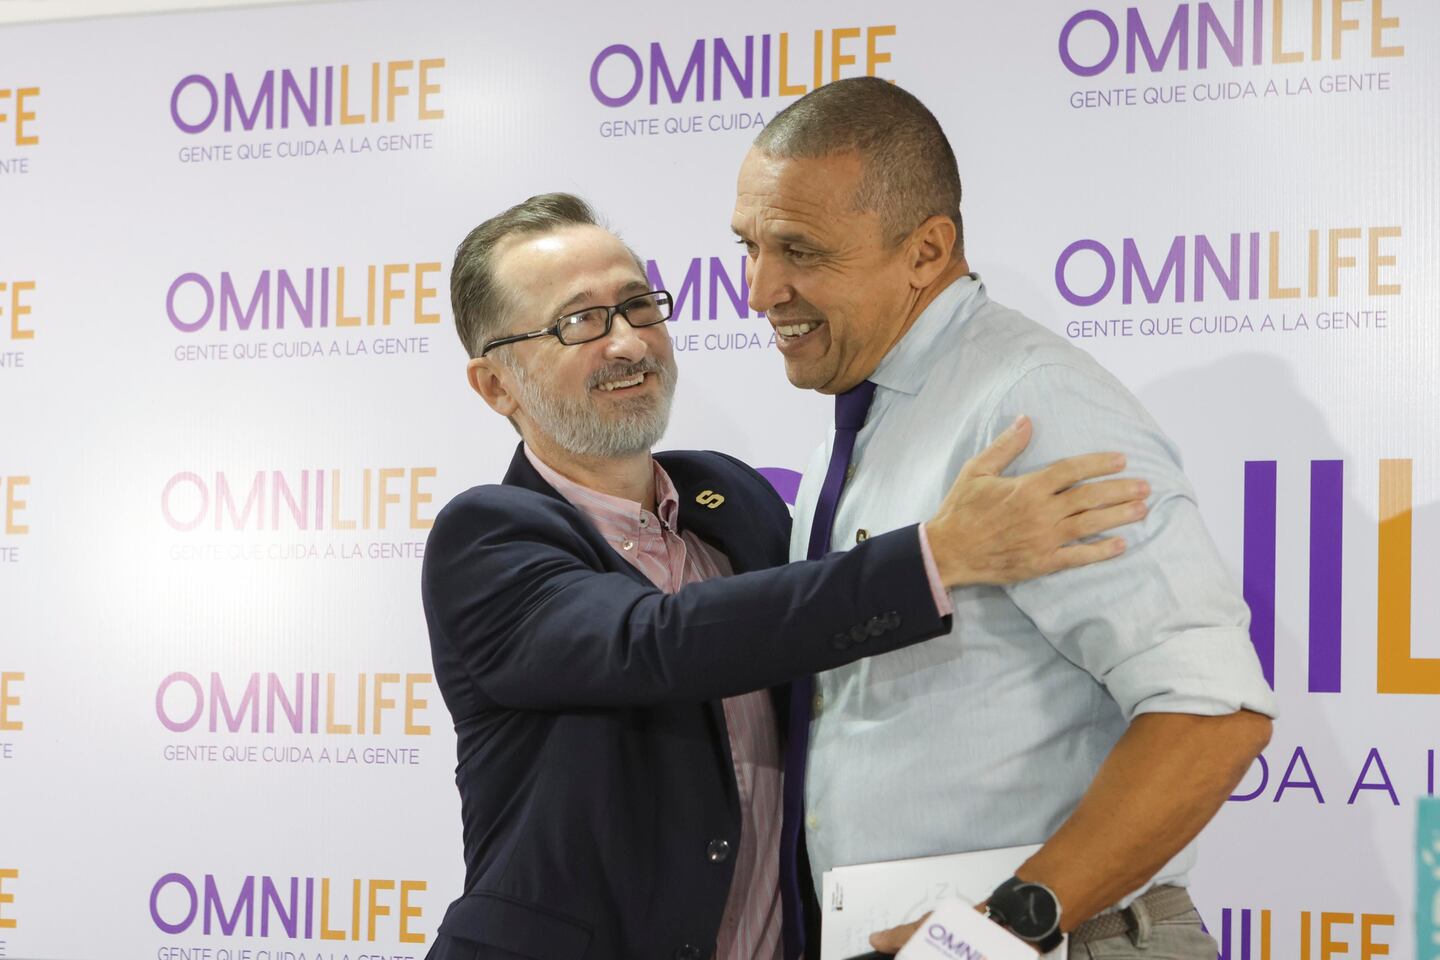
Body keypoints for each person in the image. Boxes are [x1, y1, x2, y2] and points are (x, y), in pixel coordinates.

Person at [421, 193, 1150, 960]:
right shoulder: (486, 538)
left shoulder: (730, 498)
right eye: (580, 321)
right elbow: (656, 642)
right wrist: (936, 555)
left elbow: (811, 651)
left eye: (638, 305)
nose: (629, 342)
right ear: (495, 385)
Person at [729, 77, 1278, 959]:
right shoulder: (878, 407)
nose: (759, 290)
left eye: (799, 250)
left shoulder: (1032, 404)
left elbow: (1213, 712)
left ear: (926, 250)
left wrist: (996, 932)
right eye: (749, 246)